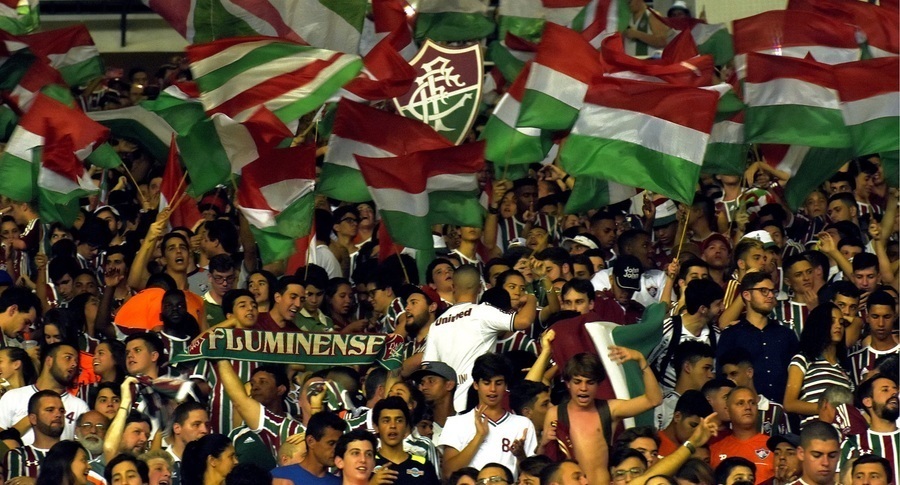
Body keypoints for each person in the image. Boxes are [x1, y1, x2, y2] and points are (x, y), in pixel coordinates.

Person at [422, 265, 536, 412]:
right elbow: (524, 321)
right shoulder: (483, 312)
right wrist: (531, 297)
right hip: (478, 406)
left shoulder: (436, 324)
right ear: (480, 288)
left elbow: (428, 368)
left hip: (449, 409)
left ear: (453, 286)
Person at [541, 350, 663, 485]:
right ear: (568, 383)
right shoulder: (555, 413)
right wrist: (543, 443)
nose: (583, 388)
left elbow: (654, 400)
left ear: (598, 384)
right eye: (577, 382)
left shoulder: (609, 410)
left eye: (590, 382)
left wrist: (641, 360)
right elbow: (544, 461)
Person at [438, 353, 537, 479]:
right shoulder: (456, 423)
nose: (493, 389)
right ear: (476, 385)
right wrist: (479, 436)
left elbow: (531, 477)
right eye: (486, 383)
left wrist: (520, 455)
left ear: (506, 386)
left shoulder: (523, 424)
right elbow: (448, 473)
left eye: (498, 383)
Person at [716, 273, 798, 402]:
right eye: (763, 291)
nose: (770, 295)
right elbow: (722, 378)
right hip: (746, 407)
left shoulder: (786, 334)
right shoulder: (731, 335)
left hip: (784, 409)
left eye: (772, 291)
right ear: (747, 295)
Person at [0, 343, 89, 445]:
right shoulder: (13, 397)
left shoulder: (80, 407)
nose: (74, 364)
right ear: (49, 361)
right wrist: (32, 419)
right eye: (68, 358)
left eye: (76, 361)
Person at [784, 304, 853, 424]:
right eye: (831, 322)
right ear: (819, 325)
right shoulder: (803, 360)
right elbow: (789, 404)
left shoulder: (844, 368)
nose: (838, 326)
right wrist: (826, 411)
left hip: (843, 432)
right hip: (815, 430)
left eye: (841, 323)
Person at [839, 374, 899, 482]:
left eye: (896, 390)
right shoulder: (851, 445)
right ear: (868, 401)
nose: (894, 393)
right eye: (885, 390)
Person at [710, 387, 775, 484]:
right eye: (740, 403)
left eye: (752, 403)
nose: (748, 407)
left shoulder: (773, 447)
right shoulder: (715, 449)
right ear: (727, 411)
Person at [371, 396, 439, 484]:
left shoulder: (424, 466)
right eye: (386, 421)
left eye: (399, 420)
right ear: (376, 427)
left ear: (407, 427)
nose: (393, 426)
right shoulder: (368, 464)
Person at [5, 390, 67, 480]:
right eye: (50, 410)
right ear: (33, 419)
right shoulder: (18, 456)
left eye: (61, 411)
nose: (58, 414)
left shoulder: (75, 453)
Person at [270, 411, 345, 484]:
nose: (336, 449)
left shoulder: (340, 482)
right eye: (331, 443)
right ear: (310, 441)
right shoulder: (279, 477)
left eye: (338, 444)